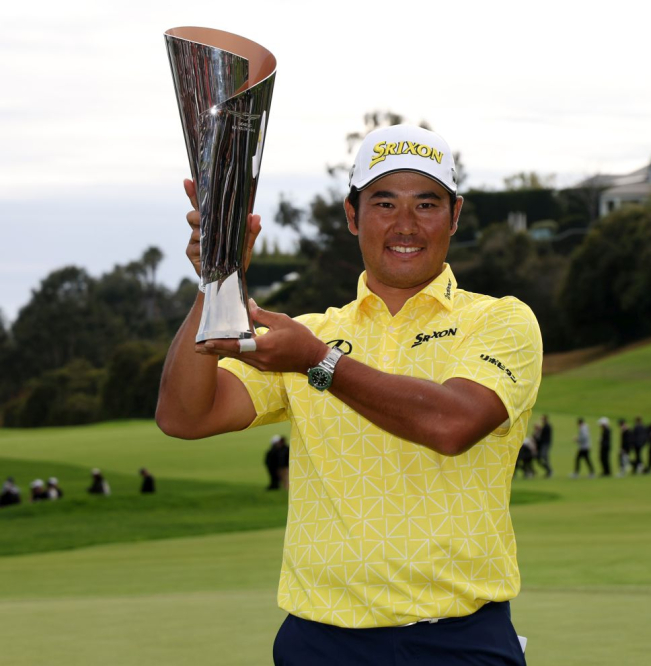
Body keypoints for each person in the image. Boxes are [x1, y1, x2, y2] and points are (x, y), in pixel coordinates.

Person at [156, 125, 539, 664]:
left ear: (454, 216)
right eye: (384, 203)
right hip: (321, 639)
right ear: (353, 215)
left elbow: (453, 425)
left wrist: (320, 363)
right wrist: (219, 275)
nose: (405, 224)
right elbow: (184, 414)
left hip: (457, 640)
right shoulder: (313, 331)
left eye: (426, 204)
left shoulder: (500, 320)